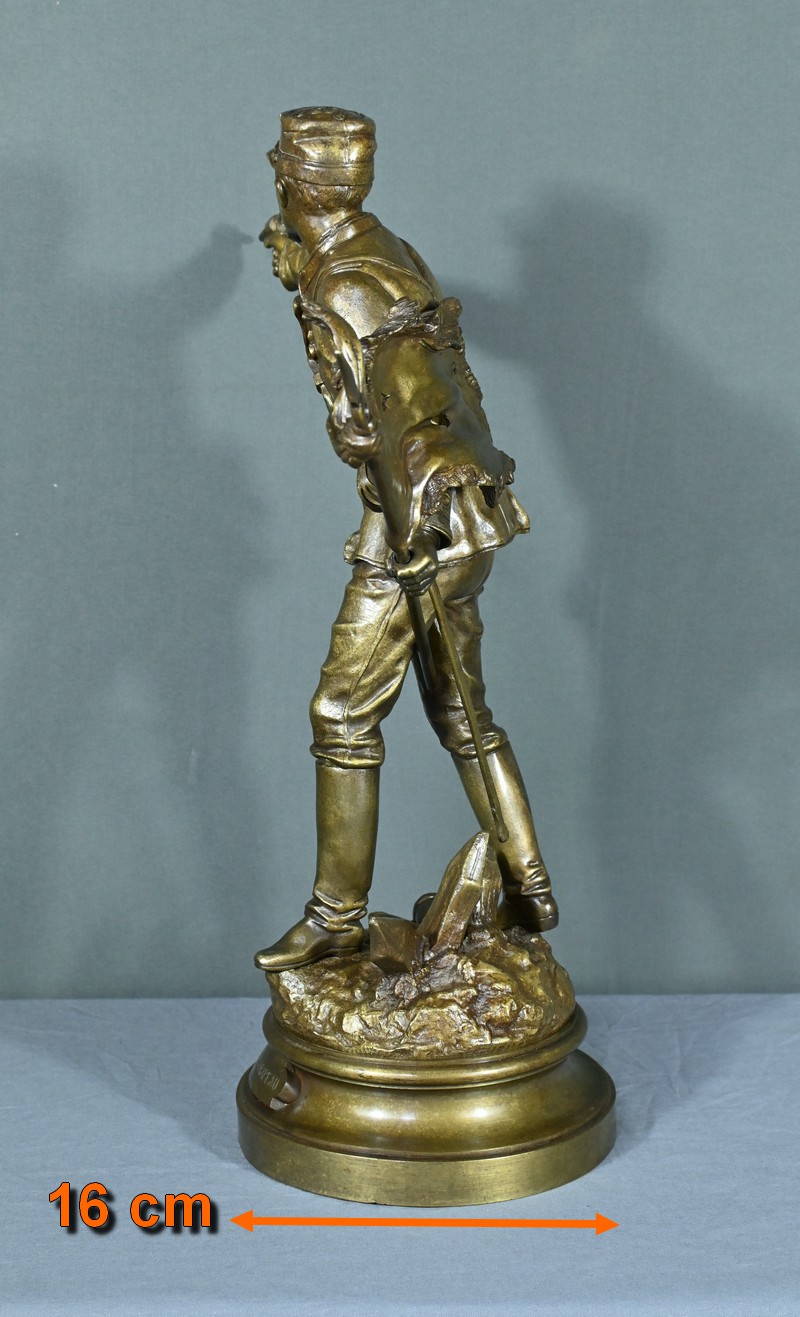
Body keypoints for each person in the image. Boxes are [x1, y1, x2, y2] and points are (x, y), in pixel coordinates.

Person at [255, 107, 558, 971]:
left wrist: (419, 510)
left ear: (297, 181)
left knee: (343, 712)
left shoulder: (349, 282)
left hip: (418, 518)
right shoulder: (371, 249)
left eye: (282, 171)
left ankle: (335, 916)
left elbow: (422, 397)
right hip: (454, 509)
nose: (275, 183)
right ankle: (529, 884)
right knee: (463, 712)